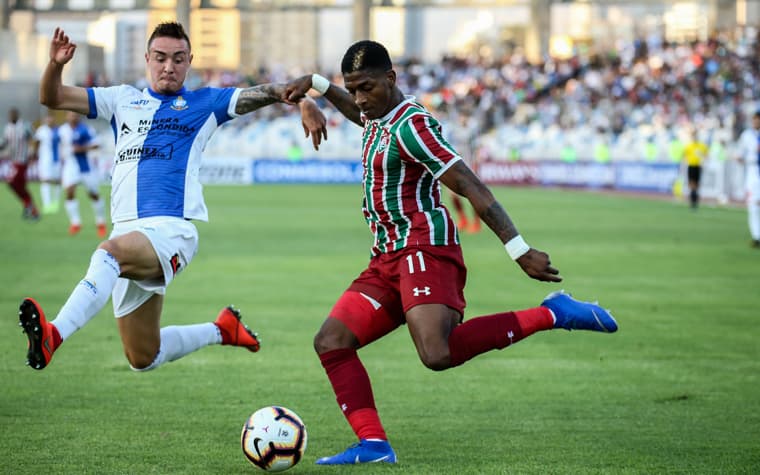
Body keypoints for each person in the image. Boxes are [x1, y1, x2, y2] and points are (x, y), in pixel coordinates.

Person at [283, 40, 618, 466]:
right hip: (387, 256)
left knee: (436, 354)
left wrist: (518, 248)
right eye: (353, 89)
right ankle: (374, 446)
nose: (360, 99)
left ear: (392, 79)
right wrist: (315, 87)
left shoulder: (413, 125)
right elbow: (357, 113)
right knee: (331, 342)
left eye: (366, 87)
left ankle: (554, 313)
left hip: (424, 247)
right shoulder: (377, 116)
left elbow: (469, 184)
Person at [19, 22, 327, 372]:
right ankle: (222, 329)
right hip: (128, 235)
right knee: (142, 357)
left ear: (190, 61)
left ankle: (53, 335)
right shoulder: (120, 99)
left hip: (170, 231)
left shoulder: (206, 102)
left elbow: (273, 90)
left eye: (179, 59)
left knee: (106, 254)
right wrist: (56, 64)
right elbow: (52, 97)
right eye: (161, 58)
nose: (169, 66)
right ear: (147, 58)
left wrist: (302, 100)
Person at [57, 111, 108, 236]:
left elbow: (97, 144)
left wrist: (82, 148)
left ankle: (101, 222)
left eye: (75, 115)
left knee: (93, 194)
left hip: (86, 166)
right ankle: (75, 223)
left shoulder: (85, 129)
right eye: (70, 115)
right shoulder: (62, 130)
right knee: (69, 192)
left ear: (78, 117)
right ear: (67, 116)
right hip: (70, 165)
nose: (73, 117)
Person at [1, 107, 39, 220]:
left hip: (22, 160)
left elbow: (36, 138)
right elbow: (4, 143)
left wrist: (34, 154)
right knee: (19, 186)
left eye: (13, 114)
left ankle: (29, 206)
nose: (11, 116)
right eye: (10, 114)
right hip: (13, 160)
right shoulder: (8, 127)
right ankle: (31, 209)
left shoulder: (25, 126)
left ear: (17, 115)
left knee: (11, 182)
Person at [736, 111, 760, 248]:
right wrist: (741, 158)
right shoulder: (747, 136)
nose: (756, 122)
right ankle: (757, 236)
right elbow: (739, 153)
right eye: (754, 119)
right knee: (753, 205)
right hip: (753, 173)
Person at [32, 112, 62, 214]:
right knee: (45, 180)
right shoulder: (42, 130)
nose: (50, 120)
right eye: (48, 118)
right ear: (45, 119)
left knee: (57, 181)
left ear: (54, 119)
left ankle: (56, 203)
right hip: (45, 160)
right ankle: (47, 204)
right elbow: (36, 143)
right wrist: (34, 155)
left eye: (51, 118)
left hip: (57, 159)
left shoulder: (59, 130)